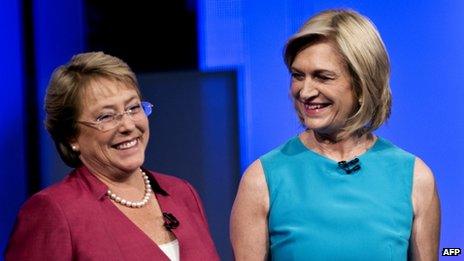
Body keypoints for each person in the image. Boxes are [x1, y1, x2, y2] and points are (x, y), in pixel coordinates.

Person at [230, 9, 440, 260]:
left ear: (363, 84)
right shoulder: (262, 179)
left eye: (322, 77)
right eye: (298, 76)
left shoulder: (415, 178)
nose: (305, 92)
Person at [5, 52, 219, 260]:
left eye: (133, 108)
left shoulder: (182, 193)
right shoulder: (53, 211)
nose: (128, 125)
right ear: (72, 136)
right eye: (106, 116)